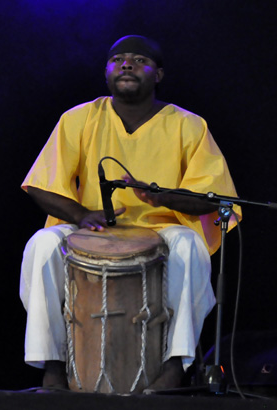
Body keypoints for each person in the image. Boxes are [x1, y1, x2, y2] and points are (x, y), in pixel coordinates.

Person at [19, 35, 241, 391]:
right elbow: (40, 183)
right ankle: (53, 365)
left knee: (190, 247)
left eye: (140, 60)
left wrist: (161, 198)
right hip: (94, 229)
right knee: (42, 245)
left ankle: (175, 364)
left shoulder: (188, 125)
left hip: (162, 231)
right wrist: (80, 213)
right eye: (118, 59)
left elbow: (213, 199)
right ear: (106, 72)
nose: (126, 64)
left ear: (159, 74)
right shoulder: (79, 118)